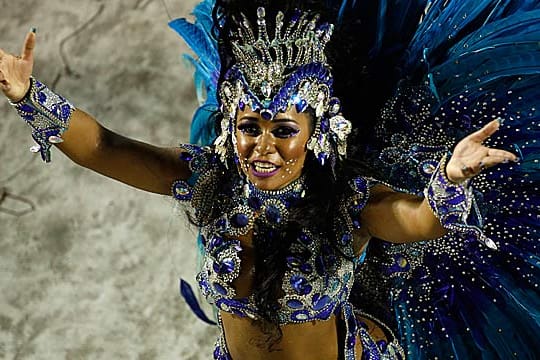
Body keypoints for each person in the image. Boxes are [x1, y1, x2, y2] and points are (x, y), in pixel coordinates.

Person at [1, 0, 538, 359]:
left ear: (318, 131)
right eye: (248, 127)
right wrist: (30, 96)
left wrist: (448, 179)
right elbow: (106, 147)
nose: (263, 147)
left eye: (283, 130)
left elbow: (416, 219)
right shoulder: (209, 179)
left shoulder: (349, 200)